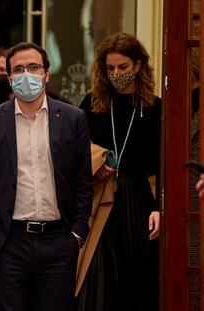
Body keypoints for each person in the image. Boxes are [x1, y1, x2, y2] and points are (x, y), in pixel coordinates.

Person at [0, 41, 93, 311]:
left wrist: (78, 232)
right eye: (18, 69)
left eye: (33, 67)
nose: (26, 74)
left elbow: (83, 180)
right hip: (9, 242)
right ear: (9, 78)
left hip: (59, 240)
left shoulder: (73, 118)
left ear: (46, 74)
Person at [76, 32, 161, 311]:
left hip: (137, 197)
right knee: (95, 280)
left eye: (122, 68)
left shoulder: (154, 108)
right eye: (109, 68)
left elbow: (165, 165)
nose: (115, 74)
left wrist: (161, 207)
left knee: (136, 279)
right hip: (99, 198)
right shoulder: (93, 103)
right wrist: (94, 162)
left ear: (138, 65)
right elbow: (72, 149)